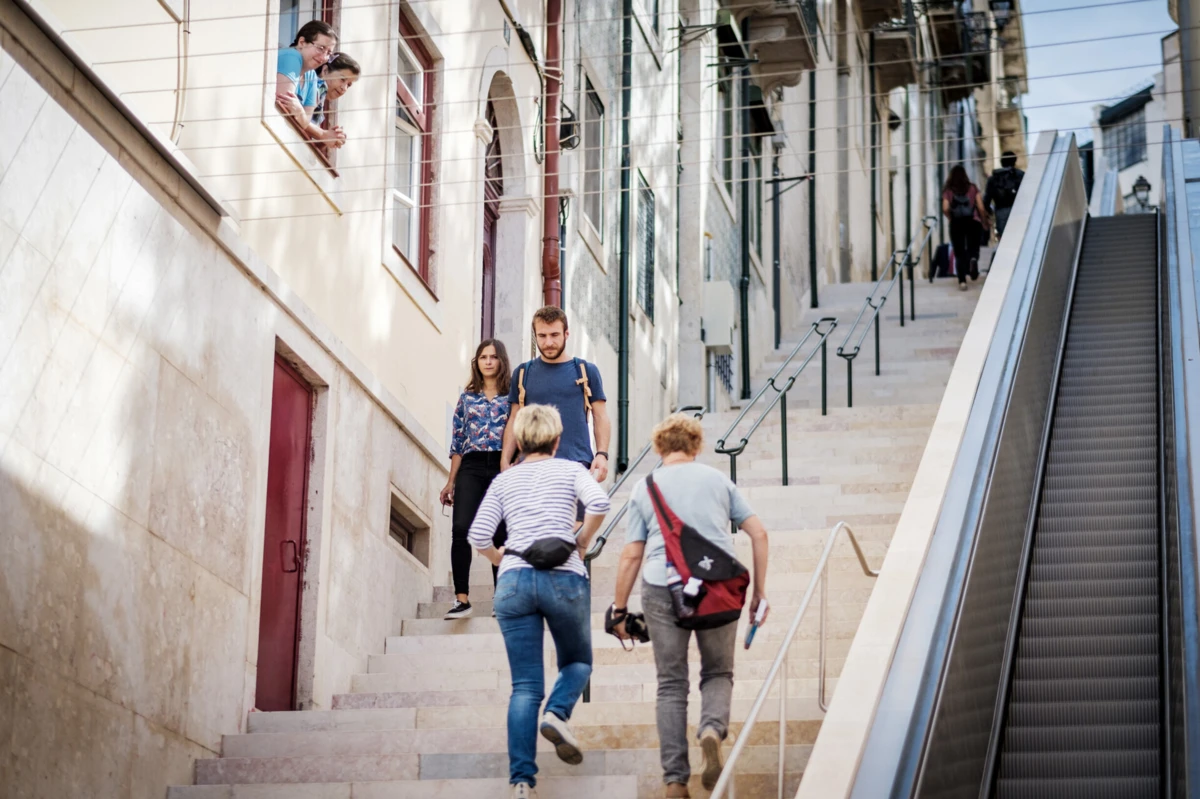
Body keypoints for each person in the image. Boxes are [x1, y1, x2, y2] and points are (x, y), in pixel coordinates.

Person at [609, 414, 770, 798]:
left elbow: (631, 555)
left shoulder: (644, 487)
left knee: (671, 683)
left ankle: (675, 781)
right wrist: (759, 593)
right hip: (717, 587)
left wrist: (619, 609)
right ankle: (711, 729)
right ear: (696, 446)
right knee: (718, 672)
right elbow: (759, 533)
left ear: (659, 447)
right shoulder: (718, 480)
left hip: (662, 586)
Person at [469, 404, 611, 799]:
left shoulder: (505, 480)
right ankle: (557, 713)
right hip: (563, 576)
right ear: (557, 439)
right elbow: (600, 504)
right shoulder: (570, 471)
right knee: (578, 662)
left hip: (514, 581)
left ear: (519, 440)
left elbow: (478, 536)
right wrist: (581, 542)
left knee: (525, 687)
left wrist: (501, 558)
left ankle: (521, 782)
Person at [439, 339, 511, 620]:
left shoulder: (512, 398)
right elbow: (457, 443)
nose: (488, 362)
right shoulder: (467, 399)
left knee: (500, 533)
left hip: (501, 465)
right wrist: (450, 482)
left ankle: (501, 598)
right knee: (460, 528)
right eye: (483, 357)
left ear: (502, 361)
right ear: (477, 362)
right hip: (471, 465)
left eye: (494, 357)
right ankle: (462, 599)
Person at [501, 307, 611, 489]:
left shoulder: (586, 371)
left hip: (576, 465)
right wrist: (505, 460)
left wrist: (602, 454)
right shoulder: (522, 373)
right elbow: (514, 418)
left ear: (566, 334)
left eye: (554, 335)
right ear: (535, 336)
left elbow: (600, 416)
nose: (549, 342)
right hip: (530, 468)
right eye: (542, 336)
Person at [276, 21, 346, 149]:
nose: (324, 57)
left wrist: (300, 113)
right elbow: (283, 108)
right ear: (302, 42)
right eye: (321, 48)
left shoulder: (312, 77)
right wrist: (302, 116)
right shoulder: (292, 56)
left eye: (329, 53)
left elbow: (305, 122)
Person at [942, 164, 988, 291]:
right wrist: (984, 220)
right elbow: (981, 207)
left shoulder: (948, 190)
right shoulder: (972, 188)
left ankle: (962, 281)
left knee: (959, 251)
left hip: (956, 223)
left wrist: (950, 217)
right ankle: (973, 259)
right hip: (973, 221)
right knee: (974, 246)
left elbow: (945, 208)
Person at [311, 52, 361, 130]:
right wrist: (324, 134)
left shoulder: (321, 96)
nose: (344, 88)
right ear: (325, 71)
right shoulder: (316, 87)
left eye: (348, 85)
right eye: (342, 79)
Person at [984, 151, 1025, 240]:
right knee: (1019, 237)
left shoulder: (993, 178)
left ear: (1002, 162)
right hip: (1018, 210)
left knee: (1004, 239)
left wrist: (988, 212)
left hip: (1000, 211)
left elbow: (987, 199)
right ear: (1014, 161)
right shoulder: (1021, 175)